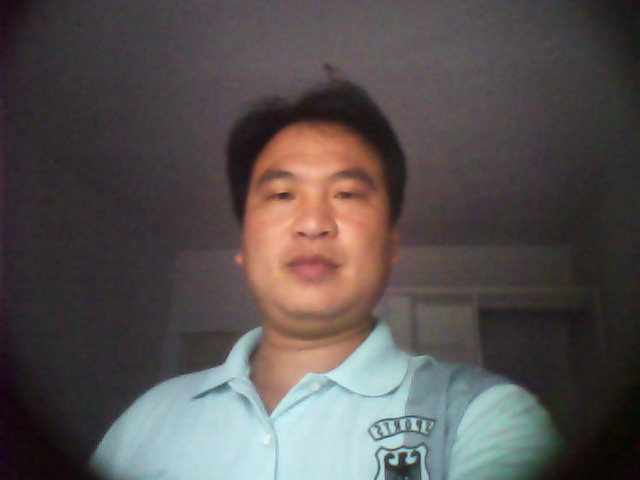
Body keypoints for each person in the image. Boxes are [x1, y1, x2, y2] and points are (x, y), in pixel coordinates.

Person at [91, 80, 560, 480]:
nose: (313, 223)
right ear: (243, 243)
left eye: (347, 193)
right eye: (282, 194)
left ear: (391, 245)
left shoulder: (483, 417)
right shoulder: (145, 421)